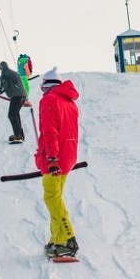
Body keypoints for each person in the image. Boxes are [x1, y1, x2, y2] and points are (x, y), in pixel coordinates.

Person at [36, 68, 81, 260]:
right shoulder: (69, 102)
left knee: (51, 199)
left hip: (55, 159)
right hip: (68, 156)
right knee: (56, 197)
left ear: (46, 85)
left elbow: (50, 132)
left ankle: (68, 238)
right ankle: (57, 240)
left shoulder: (49, 100)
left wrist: (52, 158)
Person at [0, 61, 28, 143]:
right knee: (15, 114)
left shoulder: (4, 75)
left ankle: (18, 136)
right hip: (22, 95)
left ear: (1, 68)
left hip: (16, 96)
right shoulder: (13, 73)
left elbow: (3, 88)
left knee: (12, 115)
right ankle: (20, 135)